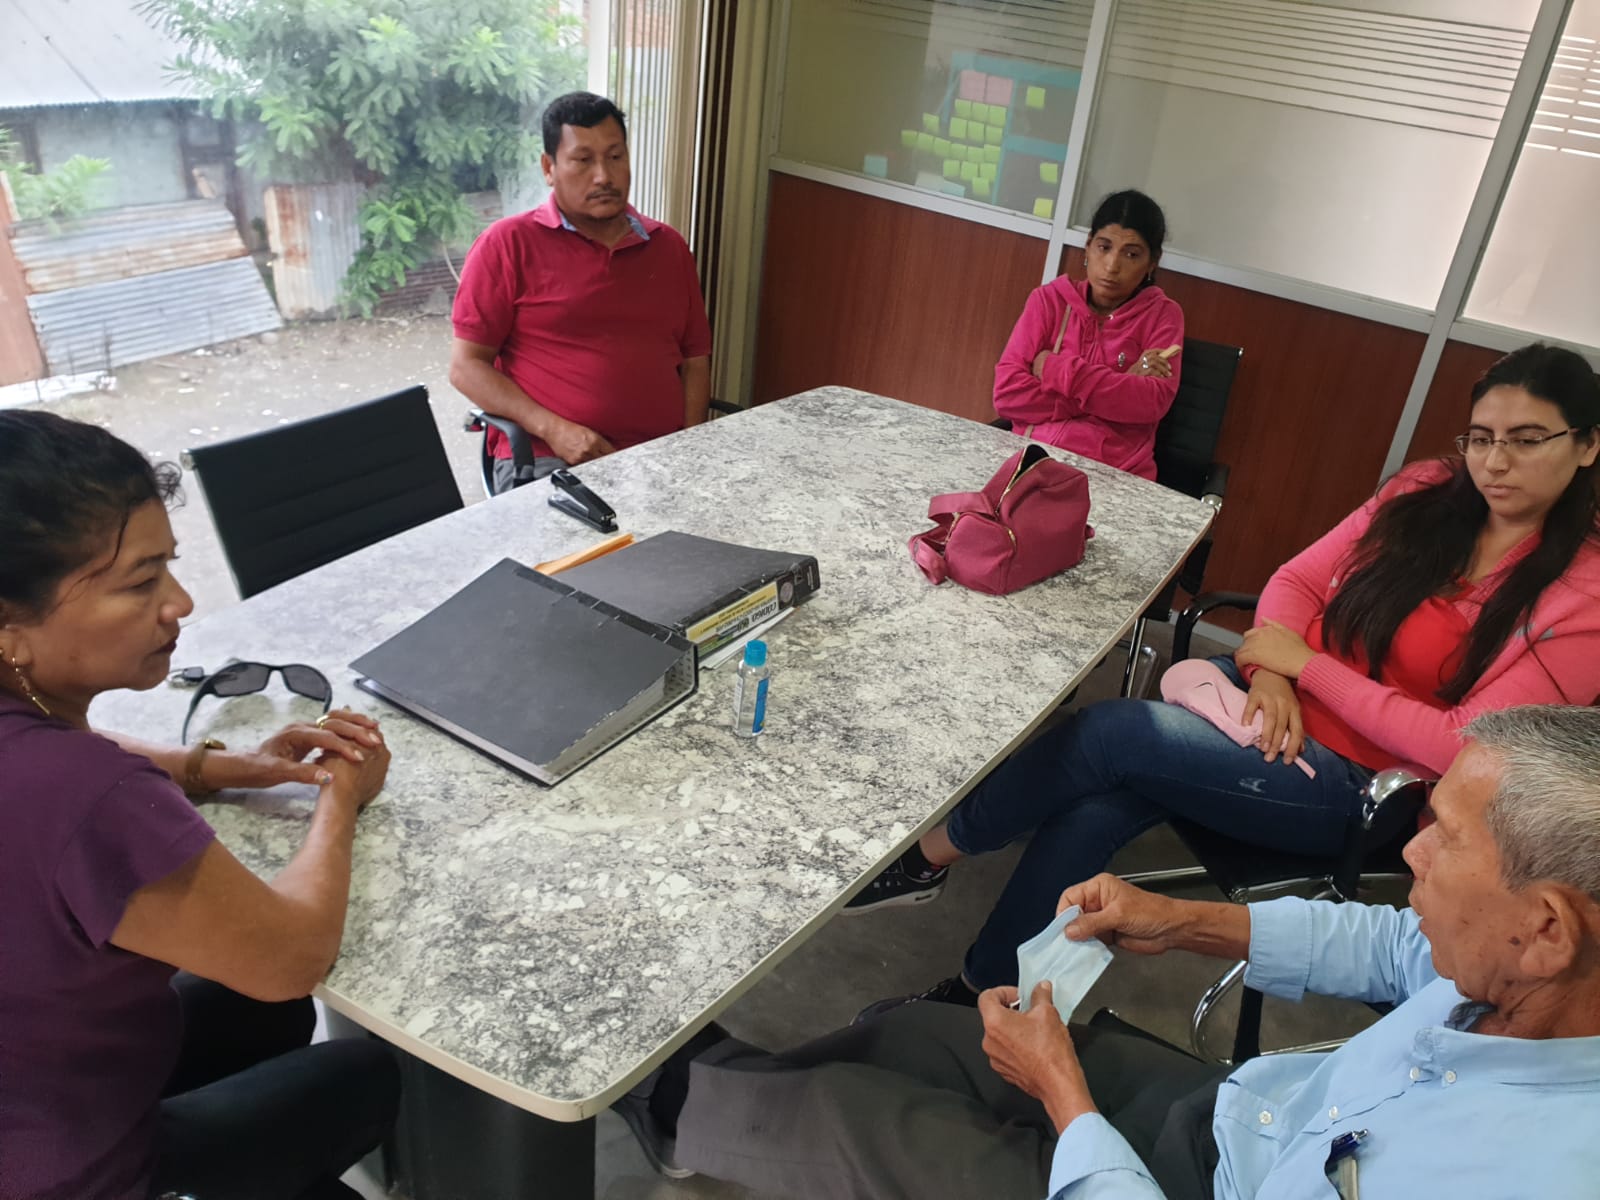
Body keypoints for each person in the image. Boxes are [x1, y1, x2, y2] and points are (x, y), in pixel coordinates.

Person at [846, 342, 1600, 1016]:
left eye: (1528, 439)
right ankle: (985, 994)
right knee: (1102, 801)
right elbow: (1296, 580)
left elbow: (1463, 746)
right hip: (1260, 706)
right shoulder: (1425, 492)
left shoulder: (1585, 593)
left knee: (1108, 734)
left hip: (1357, 784)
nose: (1495, 462)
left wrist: (1306, 667)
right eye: (1482, 438)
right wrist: (1271, 672)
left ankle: (928, 857)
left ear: (1589, 444)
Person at [620, 705, 1600, 1199]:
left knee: (858, 1123)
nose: (1411, 856)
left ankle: (675, 1104)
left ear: (1548, 929)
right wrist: (1179, 920)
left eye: (1445, 839)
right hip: (1237, 1119)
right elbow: (1390, 947)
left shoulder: (1522, 1172)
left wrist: (1066, 1103)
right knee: (923, 1035)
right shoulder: (1512, 973)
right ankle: (715, 1092)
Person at [0, 410, 400, 1200]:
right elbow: (290, 959)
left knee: (261, 1018)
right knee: (360, 1071)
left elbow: (65, 754)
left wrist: (217, 768)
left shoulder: (46, 752)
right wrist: (339, 797)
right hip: (72, 1177)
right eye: (140, 582)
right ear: (11, 629)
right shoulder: (91, 796)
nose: (180, 602)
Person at [450, 91, 713, 493]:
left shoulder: (669, 248)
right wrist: (554, 429)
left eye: (615, 156)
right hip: (551, 459)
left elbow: (695, 361)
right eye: (583, 160)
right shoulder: (507, 245)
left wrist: (690, 449)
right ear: (549, 168)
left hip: (659, 459)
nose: (604, 176)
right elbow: (466, 367)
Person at [992, 190, 1184, 479]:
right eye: (1104, 247)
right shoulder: (1048, 301)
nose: (1112, 266)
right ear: (1088, 247)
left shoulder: (1163, 315)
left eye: (1131, 254)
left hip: (1116, 475)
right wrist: (1115, 388)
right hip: (1031, 462)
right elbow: (1006, 394)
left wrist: (1055, 369)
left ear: (1152, 262)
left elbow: (1150, 403)